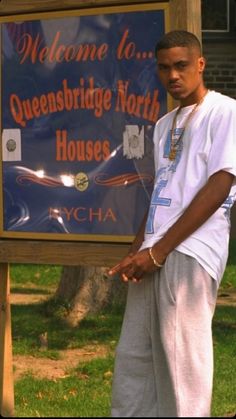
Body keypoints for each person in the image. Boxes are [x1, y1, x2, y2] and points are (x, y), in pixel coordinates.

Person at [107, 30, 236, 417]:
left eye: (181, 66)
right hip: (156, 249)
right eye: (164, 68)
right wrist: (139, 247)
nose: (172, 75)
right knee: (136, 358)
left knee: (182, 364)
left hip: (190, 250)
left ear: (200, 64)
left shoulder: (226, 111)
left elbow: (222, 183)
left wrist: (160, 252)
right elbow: (163, 188)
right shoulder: (164, 124)